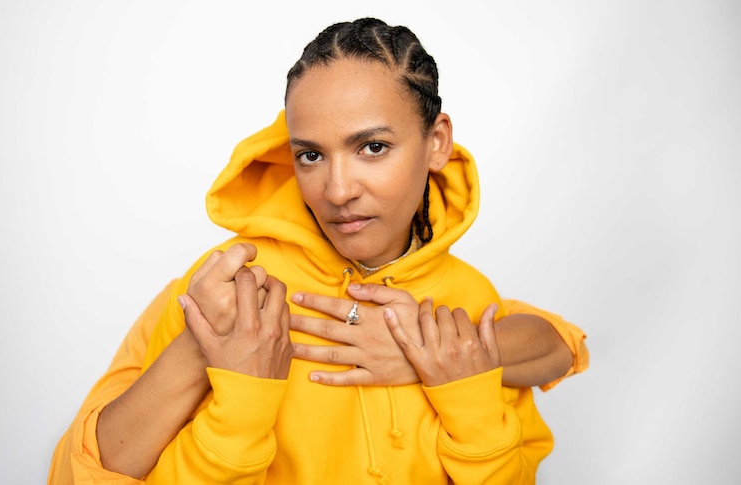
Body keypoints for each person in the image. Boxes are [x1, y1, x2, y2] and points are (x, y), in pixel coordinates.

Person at [49, 17, 588, 484]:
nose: (337, 191)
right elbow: (78, 476)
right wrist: (234, 393)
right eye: (310, 156)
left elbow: (562, 346)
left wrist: (446, 377)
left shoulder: (470, 299)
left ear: (437, 142)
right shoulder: (222, 291)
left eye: (372, 147)